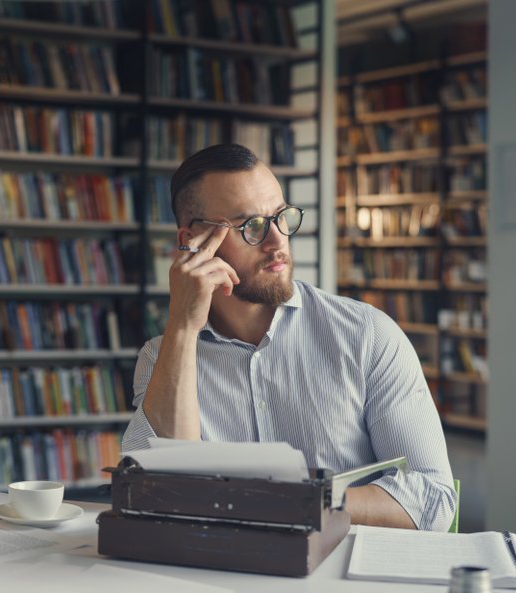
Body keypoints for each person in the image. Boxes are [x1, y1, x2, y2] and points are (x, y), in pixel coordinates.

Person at [121, 143, 456, 531]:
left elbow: (432, 499)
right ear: (192, 241)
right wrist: (181, 326)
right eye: (252, 227)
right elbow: (157, 496)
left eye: (281, 217)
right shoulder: (162, 357)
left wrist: (292, 498)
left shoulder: (367, 336)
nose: (277, 241)